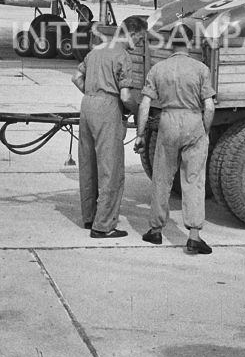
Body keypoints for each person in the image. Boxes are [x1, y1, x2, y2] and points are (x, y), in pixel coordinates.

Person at [133, 20, 216, 255]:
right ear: (190, 42)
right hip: (193, 121)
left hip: (167, 121)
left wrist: (140, 135)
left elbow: (145, 104)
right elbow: (209, 107)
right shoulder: (201, 69)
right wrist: (205, 130)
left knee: (162, 178)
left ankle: (156, 230)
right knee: (193, 180)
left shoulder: (158, 69)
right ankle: (194, 236)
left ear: (170, 43)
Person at [71, 23, 137, 238]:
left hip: (87, 105)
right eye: (141, 38)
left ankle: (89, 217)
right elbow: (126, 96)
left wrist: (91, 93)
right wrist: (136, 110)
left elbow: (76, 77)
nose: (140, 43)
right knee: (111, 168)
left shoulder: (95, 51)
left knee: (88, 164)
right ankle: (104, 225)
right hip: (108, 108)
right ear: (132, 34)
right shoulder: (123, 55)